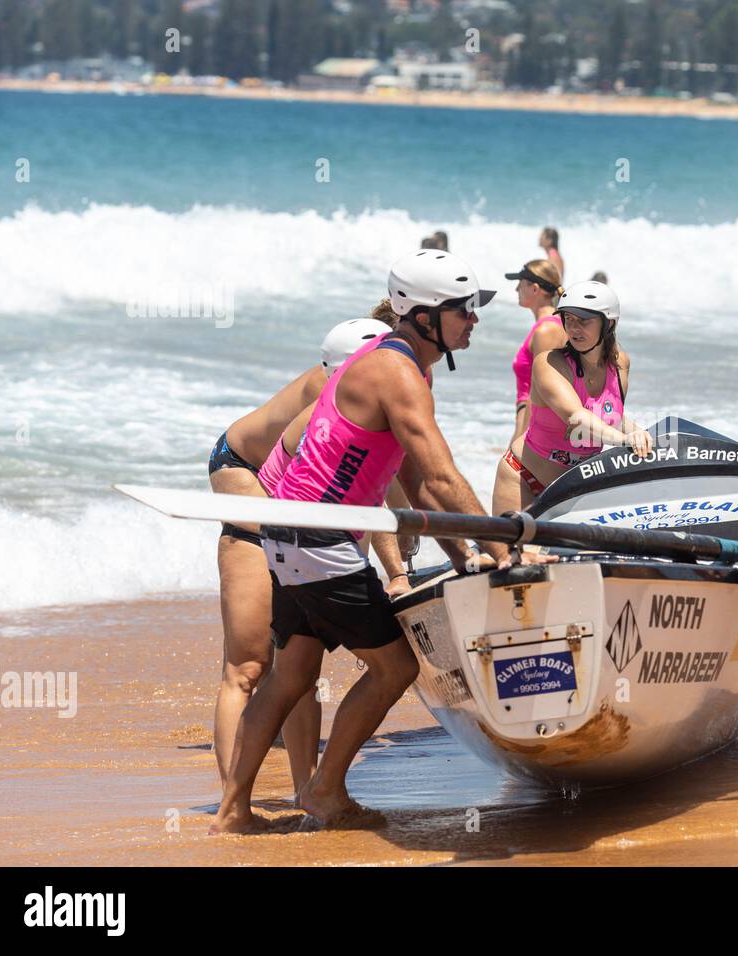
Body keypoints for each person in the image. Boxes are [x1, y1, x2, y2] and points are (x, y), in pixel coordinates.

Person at [211, 249, 511, 834]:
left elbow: (417, 483)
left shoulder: (394, 364)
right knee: (394, 667)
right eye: (464, 309)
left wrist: (464, 555)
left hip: (290, 530)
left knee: (292, 674)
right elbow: (445, 477)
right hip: (318, 537)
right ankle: (325, 792)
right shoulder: (397, 371)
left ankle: (232, 813)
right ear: (424, 316)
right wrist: (504, 546)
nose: (474, 320)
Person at [207, 312, 410, 802]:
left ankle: (307, 792)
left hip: (299, 500)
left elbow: (379, 481)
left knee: (298, 660)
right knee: (250, 665)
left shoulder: (372, 375)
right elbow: (370, 497)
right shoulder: (345, 392)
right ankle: (236, 801)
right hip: (247, 472)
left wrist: (402, 556)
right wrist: (396, 571)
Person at [492, 280, 651, 515]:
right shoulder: (549, 363)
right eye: (569, 319)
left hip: (575, 491)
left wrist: (638, 432)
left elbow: (610, 415)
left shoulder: (620, 364)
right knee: (518, 553)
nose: (574, 328)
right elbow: (577, 417)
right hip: (525, 480)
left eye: (584, 321)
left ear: (609, 323)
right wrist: (626, 441)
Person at [504, 259, 567, 445]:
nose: (516, 289)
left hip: (532, 427)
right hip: (529, 422)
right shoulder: (549, 325)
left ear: (535, 289)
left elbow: (540, 390)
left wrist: (522, 440)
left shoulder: (547, 329)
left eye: (520, 284)